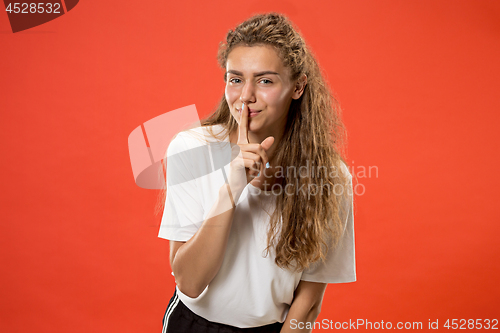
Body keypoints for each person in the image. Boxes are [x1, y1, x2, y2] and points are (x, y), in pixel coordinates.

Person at [158, 12, 355, 333]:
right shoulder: (191, 147)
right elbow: (190, 282)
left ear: (297, 86)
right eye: (235, 79)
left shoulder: (330, 176)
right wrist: (232, 190)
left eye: (265, 80)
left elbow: (308, 301)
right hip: (192, 324)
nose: (246, 95)